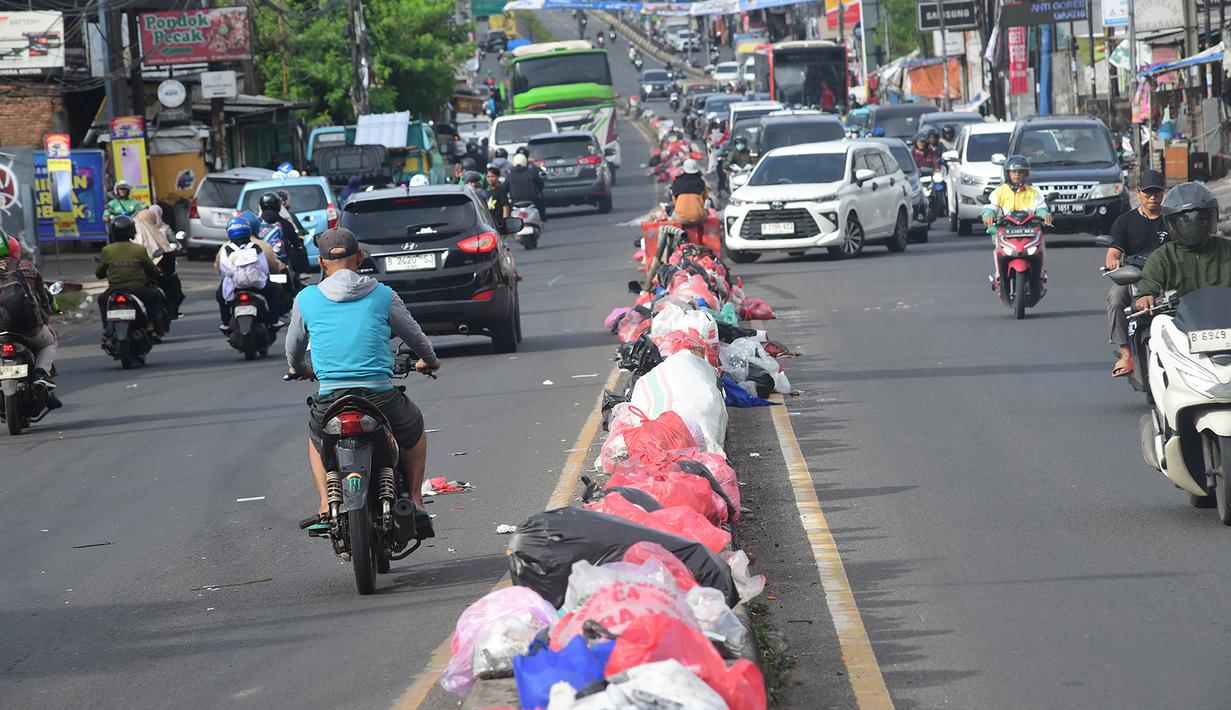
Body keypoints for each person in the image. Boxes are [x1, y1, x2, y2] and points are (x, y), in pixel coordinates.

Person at [285, 227, 441, 535]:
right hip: (379, 395)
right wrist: (430, 360)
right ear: (360, 257)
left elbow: (293, 347)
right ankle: (416, 501)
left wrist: (297, 368)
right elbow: (415, 336)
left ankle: (323, 504)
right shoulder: (382, 294)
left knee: (316, 441)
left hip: (331, 399)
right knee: (414, 430)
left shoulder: (307, 298)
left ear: (321, 263)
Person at [1106, 170, 1170, 377]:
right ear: (1138, 193)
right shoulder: (1125, 221)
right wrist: (1113, 261)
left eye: (1157, 193)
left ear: (1163, 193)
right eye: (1148, 193)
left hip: (1167, 277)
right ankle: (1125, 354)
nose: (1153, 197)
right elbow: (1113, 251)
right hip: (1135, 275)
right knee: (1116, 298)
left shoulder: (1173, 219)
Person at [1135, 182, 1231, 311]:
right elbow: (1146, 291)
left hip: (1225, 319)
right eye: (1185, 221)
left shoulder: (1227, 249)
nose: (1193, 226)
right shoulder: (1163, 258)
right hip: (1176, 324)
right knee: (1146, 330)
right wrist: (1145, 299)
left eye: (1200, 219)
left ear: (1212, 218)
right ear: (1170, 223)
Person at [0, 233, 60, 409]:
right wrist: (48, 317)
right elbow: (44, 297)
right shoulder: (26, 267)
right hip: (29, 329)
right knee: (49, 342)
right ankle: (40, 373)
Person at [96, 215, 165, 336]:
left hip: (114, 290)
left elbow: (99, 273)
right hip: (138, 289)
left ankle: (107, 327)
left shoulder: (107, 250)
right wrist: (157, 271)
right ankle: (150, 324)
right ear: (132, 231)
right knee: (154, 296)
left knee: (102, 300)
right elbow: (151, 268)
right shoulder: (139, 249)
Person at [215, 217, 284, 333]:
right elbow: (265, 269)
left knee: (220, 297)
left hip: (234, 286)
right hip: (257, 284)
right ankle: (274, 321)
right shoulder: (256, 247)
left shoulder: (225, 249)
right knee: (274, 291)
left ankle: (225, 323)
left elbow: (223, 269)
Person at [133, 206, 185, 320]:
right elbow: (168, 258)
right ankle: (171, 313)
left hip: (136, 278)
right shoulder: (159, 236)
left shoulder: (131, 239)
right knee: (172, 286)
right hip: (156, 276)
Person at [982, 155, 1052, 231]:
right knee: (993, 229)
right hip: (1004, 231)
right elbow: (991, 207)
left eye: (1020, 171)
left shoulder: (1034, 192)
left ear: (1026, 174)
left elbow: (1041, 207)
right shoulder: (999, 192)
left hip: (1030, 230)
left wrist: (1045, 215)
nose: (1017, 174)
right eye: (1014, 171)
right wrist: (989, 215)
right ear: (1007, 173)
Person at [258, 192, 308, 276]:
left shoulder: (256, 223)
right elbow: (296, 243)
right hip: (281, 265)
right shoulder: (285, 224)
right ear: (278, 205)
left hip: (261, 265)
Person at [670, 159, 708, 233]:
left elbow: (674, 201)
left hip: (681, 219)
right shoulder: (701, 182)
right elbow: (704, 199)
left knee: (673, 215)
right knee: (706, 212)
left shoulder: (676, 182)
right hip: (698, 219)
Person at [506, 153, 546, 222]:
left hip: (515, 201)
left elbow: (504, 188)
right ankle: (542, 219)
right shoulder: (530, 172)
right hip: (530, 200)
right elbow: (540, 184)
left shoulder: (510, 175)